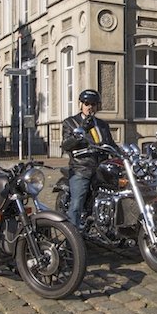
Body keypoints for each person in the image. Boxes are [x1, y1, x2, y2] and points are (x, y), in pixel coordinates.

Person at [60, 89, 116, 230]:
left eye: (93, 104)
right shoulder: (71, 123)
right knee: (77, 203)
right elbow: (66, 145)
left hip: (102, 168)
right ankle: (71, 236)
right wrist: (83, 129)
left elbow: (111, 144)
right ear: (80, 104)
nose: (90, 107)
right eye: (87, 103)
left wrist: (123, 154)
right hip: (82, 168)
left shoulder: (102, 124)